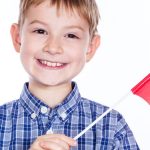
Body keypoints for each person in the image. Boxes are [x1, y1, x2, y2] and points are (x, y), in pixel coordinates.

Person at [0, 0, 139, 149]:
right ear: (17, 38)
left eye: (71, 35)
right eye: (40, 31)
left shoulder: (112, 127)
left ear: (90, 47)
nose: (53, 48)